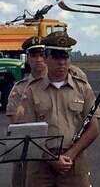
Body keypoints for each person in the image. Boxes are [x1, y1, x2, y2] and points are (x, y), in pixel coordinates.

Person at [20, 31, 100, 187]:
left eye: (65, 57)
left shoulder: (82, 88)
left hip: (74, 162)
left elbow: (94, 128)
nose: (62, 63)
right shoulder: (32, 90)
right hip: (40, 165)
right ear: (46, 58)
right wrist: (52, 159)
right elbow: (27, 132)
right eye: (57, 57)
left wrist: (70, 155)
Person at [6, 36, 49, 187]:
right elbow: (15, 126)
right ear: (28, 58)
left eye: (42, 55)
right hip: (29, 155)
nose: (38, 59)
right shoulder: (19, 88)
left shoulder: (59, 84)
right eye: (34, 55)